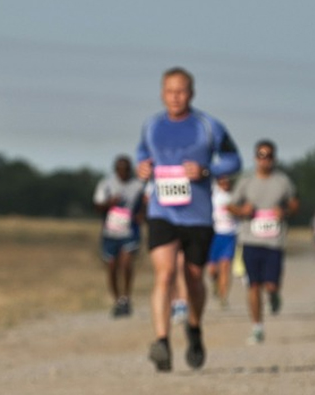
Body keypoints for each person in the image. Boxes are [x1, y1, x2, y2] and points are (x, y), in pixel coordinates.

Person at [135, 67, 242, 372]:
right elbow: (141, 154)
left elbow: (234, 160)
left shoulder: (209, 126)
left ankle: (194, 329)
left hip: (197, 216)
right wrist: (142, 167)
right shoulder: (152, 126)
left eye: (181, 91)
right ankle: (162, 341)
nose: (175, 97)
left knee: (194, 278)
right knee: (165, 274)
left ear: (191, 94)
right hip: (162, 212)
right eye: (170, 91)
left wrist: (207, 170)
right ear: (162, 94)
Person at [229, 139, 299, 345]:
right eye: (261, 155)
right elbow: (230, 206)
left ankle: (274, 295)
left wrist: (284, 211)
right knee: (253, 285)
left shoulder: (282, 182)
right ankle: (257, 327)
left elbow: (295, 203)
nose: (265, 159)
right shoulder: (246, 182)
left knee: (270, 284)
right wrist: (242, 210)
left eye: (268, 156)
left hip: (274, 242)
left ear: (274, 159)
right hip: (250, 239)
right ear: (255, 158)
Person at [92, 155, 146, 318]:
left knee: (126, 263)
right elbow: (97, 205)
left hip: (130, 232)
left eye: (126, 169)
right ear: (116, 170)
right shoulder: (106, 184)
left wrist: (141, 215)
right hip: (110, 232)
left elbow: (146, 203)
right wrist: (110, 203)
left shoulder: (138, 185)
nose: (123, 172)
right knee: (112, 268)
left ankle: (126, 298)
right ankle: (117, 300)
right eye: (120, 169)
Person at [206, 175, 237, 309]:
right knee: (212, 270)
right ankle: (215, 282)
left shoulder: (235, 195)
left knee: (225, 266)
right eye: (222, 180)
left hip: (230, 235)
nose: (225, 183)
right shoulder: (213, 194)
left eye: (227, 180)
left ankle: (223, 297)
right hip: (214, 234)